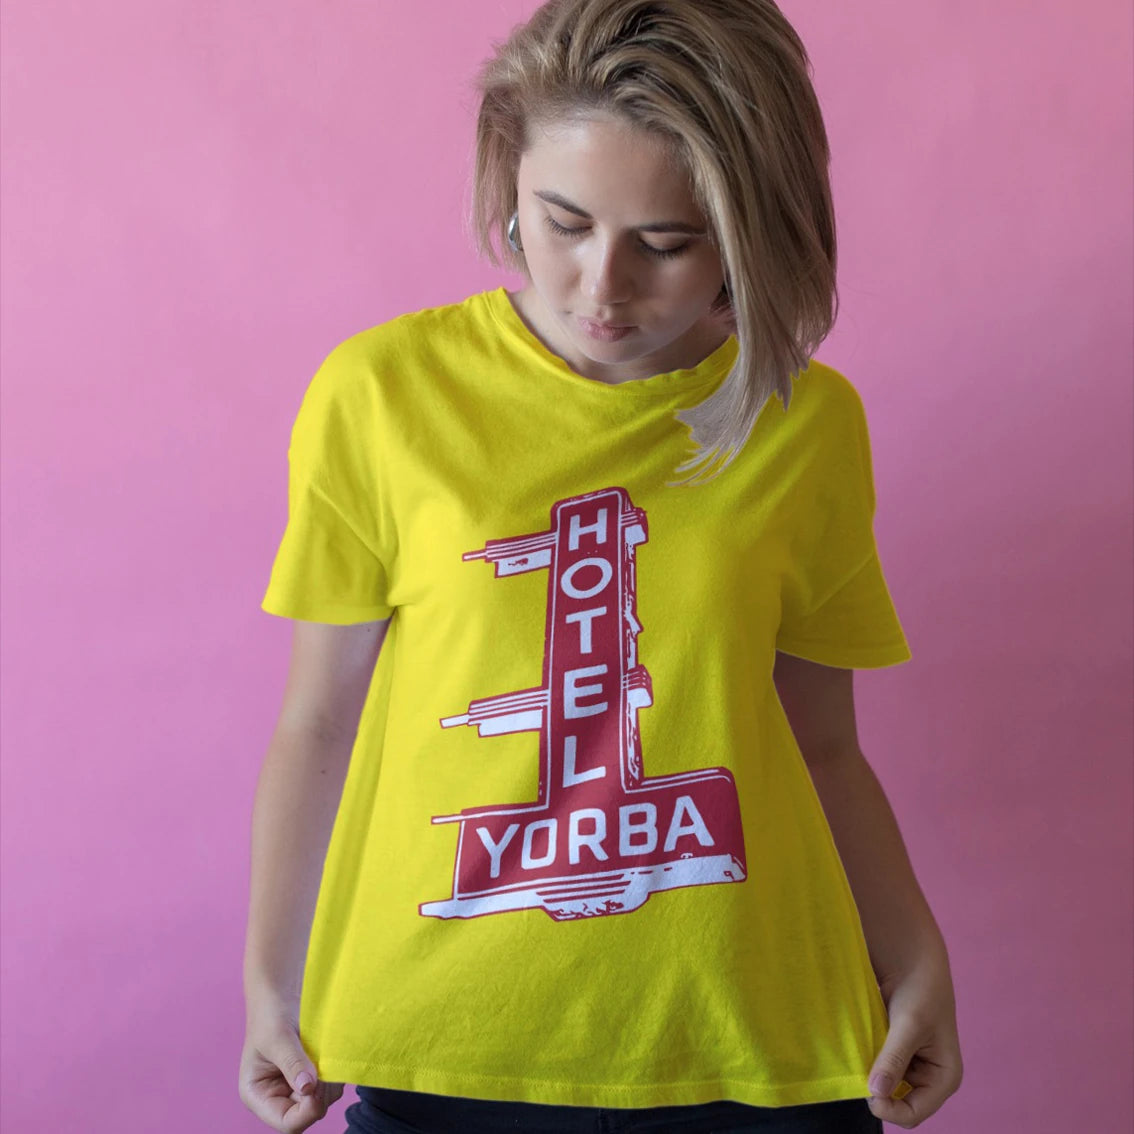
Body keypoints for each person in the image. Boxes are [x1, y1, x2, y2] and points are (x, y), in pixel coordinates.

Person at [238, 1, 963, 1131]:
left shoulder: (805, 423)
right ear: (507, 181)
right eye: (563, 221)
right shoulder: (381, 395)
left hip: (758, 1041)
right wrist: (274, 987)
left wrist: (915, 954)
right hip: (445, 1044)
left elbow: (823, 744)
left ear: (749, 231)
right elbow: (319, 722)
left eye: (666, 244)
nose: (603, 287)